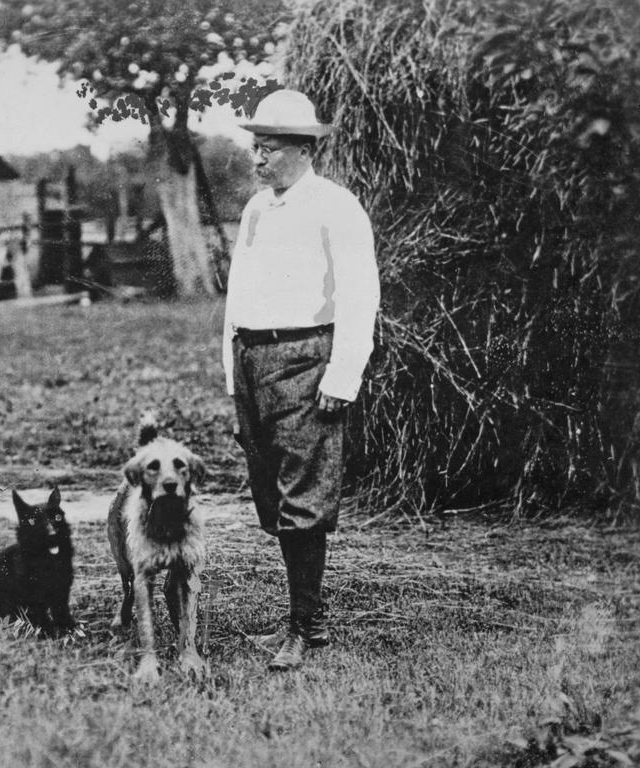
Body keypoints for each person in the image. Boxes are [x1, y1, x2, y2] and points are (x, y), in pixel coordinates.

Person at [222, 89, 380, 671]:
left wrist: (343, 374)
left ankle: (307, 627)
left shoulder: (336, 206)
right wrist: (232, 374)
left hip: (304, 361)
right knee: (272, 496)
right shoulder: (257, 210)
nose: (256, 159)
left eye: (266, 149)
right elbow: (237, 298)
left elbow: (360, 296)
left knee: (303, 497)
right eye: (254, 147)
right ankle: (299, 621)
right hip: (254, 361)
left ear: (303, 148)